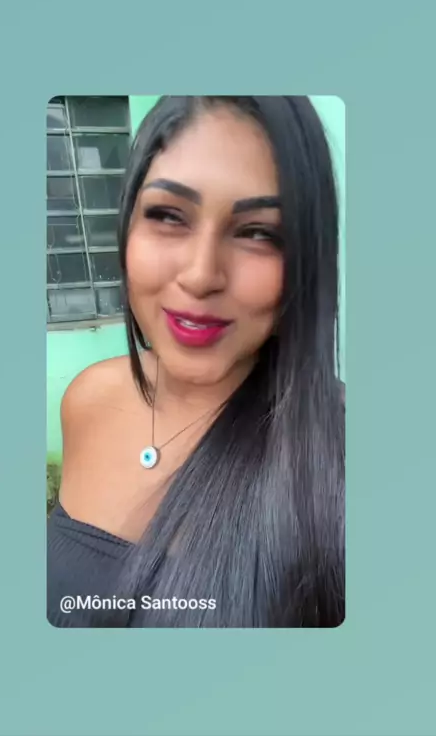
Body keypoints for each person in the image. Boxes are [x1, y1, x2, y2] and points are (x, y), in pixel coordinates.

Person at [47, 96, 345, 628]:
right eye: (168, 216)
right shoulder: (89, 399)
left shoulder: (342, 456)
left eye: (259, 233)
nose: (202, 274)